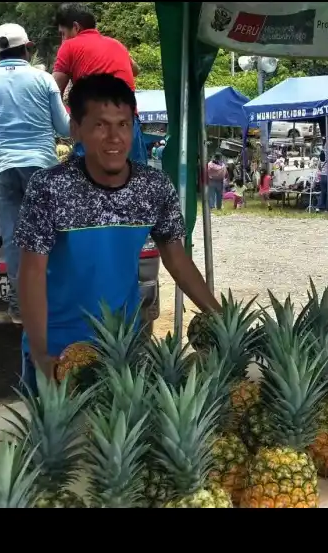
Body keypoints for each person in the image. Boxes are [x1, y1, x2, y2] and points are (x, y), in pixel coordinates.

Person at [14, 73, 219, 388]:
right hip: (60, 351)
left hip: (125, 348)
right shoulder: (50, 187)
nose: (114, 137)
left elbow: (176, 259)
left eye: (123, 124)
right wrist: (41, 354)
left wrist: (222, 319)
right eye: (100, 125)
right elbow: (31, 273)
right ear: (76, 130)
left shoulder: (153, 186)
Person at [0, 23, 70, 324]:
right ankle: (55, 300)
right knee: (51, 234)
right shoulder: (44, 80)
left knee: (14, 238)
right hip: (42, 166)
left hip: (5, 169)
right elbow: (65, 128)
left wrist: (2, 134)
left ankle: (19, 306)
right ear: (28, 47)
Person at [52, 3, 146, 165]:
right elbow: (135, 69)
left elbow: (52, 90)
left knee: (88, 186)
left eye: (63, 34)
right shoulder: (116, 45)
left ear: (75, 27)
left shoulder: (69, 46)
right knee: (139, 183)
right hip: (128, 124)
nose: (62, 40)